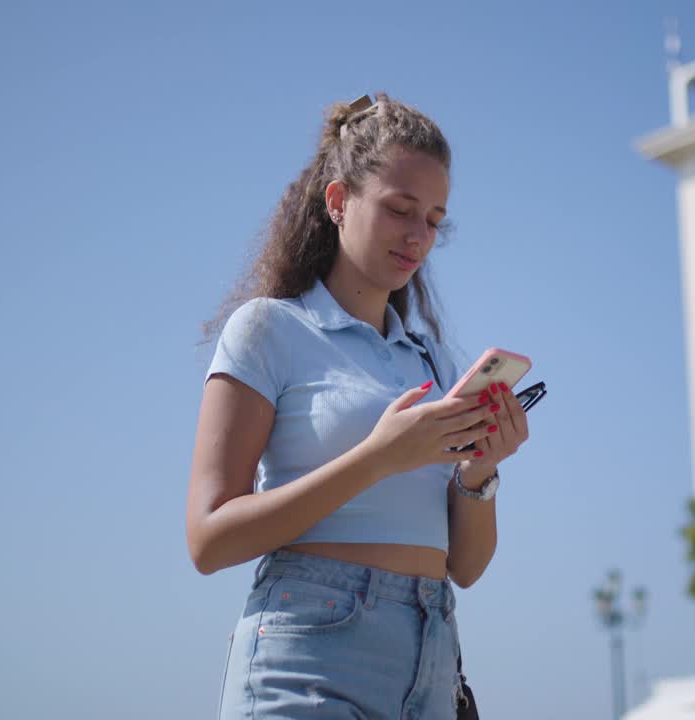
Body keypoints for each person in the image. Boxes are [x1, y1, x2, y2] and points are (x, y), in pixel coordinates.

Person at [186, 93, 529, 719]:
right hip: (308, 657)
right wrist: (378, 458)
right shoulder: (268, 330)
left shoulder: (433, 364)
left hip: (429, 654)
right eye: (400, 210)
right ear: (338, 202)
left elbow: (467, 567)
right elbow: (208, 540)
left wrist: (481, 473)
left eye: (434, 218)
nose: (418, 236)